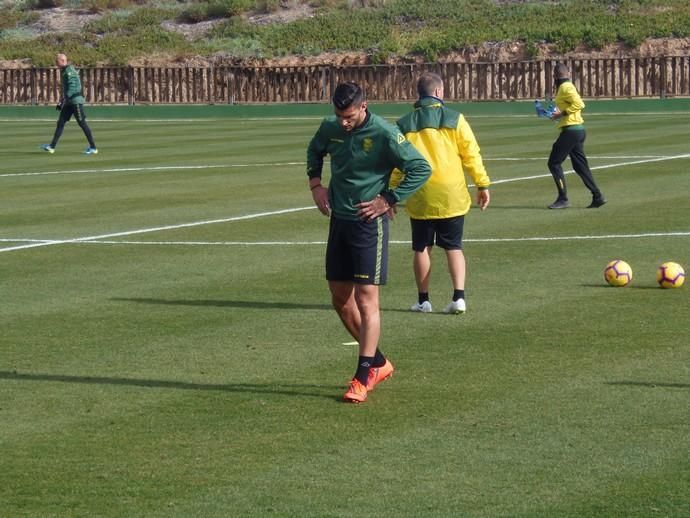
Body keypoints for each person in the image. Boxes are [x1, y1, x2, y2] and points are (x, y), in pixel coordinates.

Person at [306, 82, 431, 403]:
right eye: (339, 116)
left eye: (349, 116)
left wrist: (389, 198)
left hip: (368, 226)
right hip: (340, 223)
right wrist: (316, 184)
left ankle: (362, 377)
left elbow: (420, 167)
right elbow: (315, 150)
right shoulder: (330, 128)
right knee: (339, 299)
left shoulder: (385, 134)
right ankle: (378, 362)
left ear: (364, 107)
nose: (343, 122)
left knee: (366, 299)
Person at [395, 72, 490, 315]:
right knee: (453, 246)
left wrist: (390, 193)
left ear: (420, 93)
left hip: (420, 191)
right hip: (451, 192)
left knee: (421, 247)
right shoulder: (456, 118)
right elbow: (471, 154)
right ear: (438, 92)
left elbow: (396, 161)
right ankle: (459, 297)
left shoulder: (404, 123)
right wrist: (482, 184)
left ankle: (423, 300)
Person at [546, 63, 605, 209]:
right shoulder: (563, 87)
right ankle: (597, 196)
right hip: (576, 130)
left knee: (554, 163)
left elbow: (579, 104)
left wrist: (562, 113)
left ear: (554, 75)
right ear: (568, 73)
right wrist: (557, 115)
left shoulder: (566, 87)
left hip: (572, 131)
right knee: (580, 166)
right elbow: (569, 107)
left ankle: (563, 198)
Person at [41, 53, 98, 155]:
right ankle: (52, 147)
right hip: (69, 102)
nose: (56, 64)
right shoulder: (65, 71)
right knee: (60, 123)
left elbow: (73, 86)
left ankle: (93, 147)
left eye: (57, 61)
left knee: (82, 123)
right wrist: (64, 99)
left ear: (62, 61)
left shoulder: (69, 70)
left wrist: (64, 98)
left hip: (75, 101)